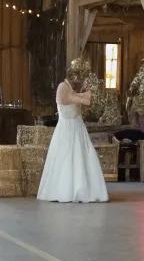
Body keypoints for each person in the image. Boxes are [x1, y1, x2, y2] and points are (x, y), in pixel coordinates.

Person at [37, 68, 109, 203]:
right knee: (66, 159)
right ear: (73, 77)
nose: (79, 81)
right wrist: (88, 93)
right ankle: (67, 191)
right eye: (78, 78)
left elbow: (84, 98)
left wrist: (90, 91)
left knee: (82, 158)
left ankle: (84, 189)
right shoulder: (62, 88)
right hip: (67, 129)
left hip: (78, 128)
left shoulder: (70, 88)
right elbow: (84, 100)